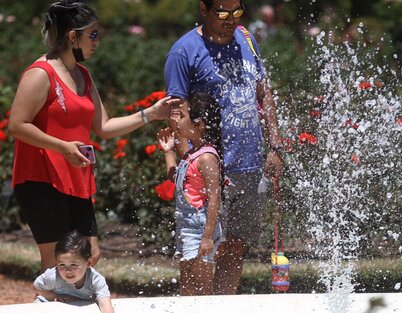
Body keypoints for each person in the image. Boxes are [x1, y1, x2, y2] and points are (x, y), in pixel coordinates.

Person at [7, 0, 177, 274]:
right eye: (93, 35)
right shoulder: (41, 73)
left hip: (76, 178)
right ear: (73, 36)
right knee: (57, 264)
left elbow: (105, 126)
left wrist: (151, 113)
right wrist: (61, 146)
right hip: (42, 178)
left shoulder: (82, 74)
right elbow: (16, 124)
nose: (97, 42)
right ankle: (47, 303)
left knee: (90, 254)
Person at [164, 0, 283, 294]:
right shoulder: (185, 51)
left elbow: (263, 92)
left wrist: (275, 147)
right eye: (222, 13)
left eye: (237, 12)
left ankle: (225, 304)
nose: (230, 20)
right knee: (199, 253)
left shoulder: (246, 39)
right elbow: (176, 110)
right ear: (204, 9)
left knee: (233, 248)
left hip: (248, 164)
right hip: (208, 169)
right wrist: (186, 157)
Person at [157, 92, 223, 295]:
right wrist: (168, 150)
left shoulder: (207, 158)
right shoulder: (192, 154)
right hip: (187, 227)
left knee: (202, 286)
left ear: (199, 123)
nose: (178, 121)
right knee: (187, 286)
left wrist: (208, 237)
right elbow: (175, 178)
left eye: (182, 116)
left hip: (200, 227)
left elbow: (214, 199)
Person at [34, 230, 114, 313]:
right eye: (62, 265)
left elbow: (106, 305)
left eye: (73, 265)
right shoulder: (53, 276)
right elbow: (37, 288)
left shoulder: (95, 280)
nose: (68, 270)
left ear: (89, 262)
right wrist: (56, 296)